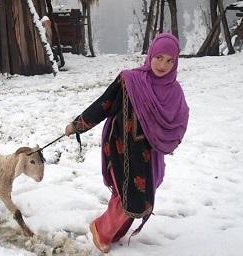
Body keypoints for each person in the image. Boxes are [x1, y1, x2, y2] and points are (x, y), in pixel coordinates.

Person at [64, 33, 189, 253]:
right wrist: (77, 125)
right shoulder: (130, 80)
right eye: (159, 57)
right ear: (150, 55)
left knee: (140, 194)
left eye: (170, 60)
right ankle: (102, 230)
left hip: (150, 153)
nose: (163, 65)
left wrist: (171, 137)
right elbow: (104, 104)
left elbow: (180, 118)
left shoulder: (174, 91)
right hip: (122, 146)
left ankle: (116, 231)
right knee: (129, 194)